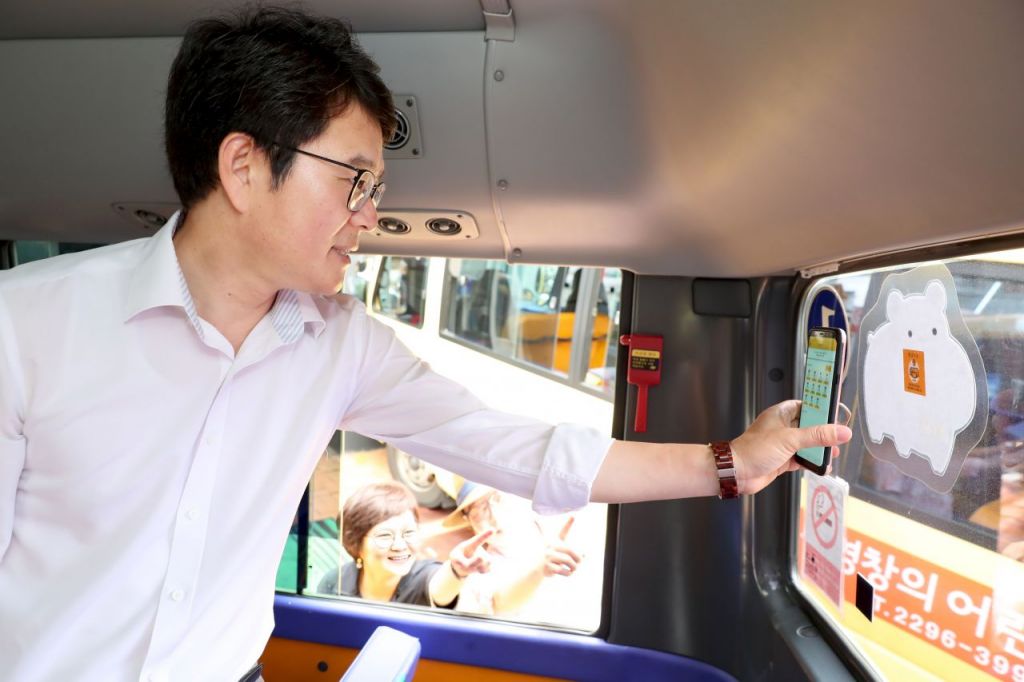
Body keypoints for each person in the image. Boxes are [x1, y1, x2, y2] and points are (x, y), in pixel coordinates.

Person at [0, 6, 851, 681]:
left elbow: (521, 448)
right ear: (243, 167)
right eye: (354, 181)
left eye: (375, 187)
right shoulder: (24, 327)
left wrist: (732, 462)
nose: (370, 215)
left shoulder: (339, 347)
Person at [316, 481, 492, 606]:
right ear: (356, 545)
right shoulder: (334, 583)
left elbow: (440, 588)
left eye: (408, 533)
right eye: (385, 536)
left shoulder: (422, 577)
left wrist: (457, 571)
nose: (400, 546)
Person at [442, 481, 582, 619]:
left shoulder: (558, 522)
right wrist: (539, 570)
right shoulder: (480, 567)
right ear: (470, 522)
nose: (494, 517)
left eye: (497, 499)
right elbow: (498, 602)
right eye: (478, 513)